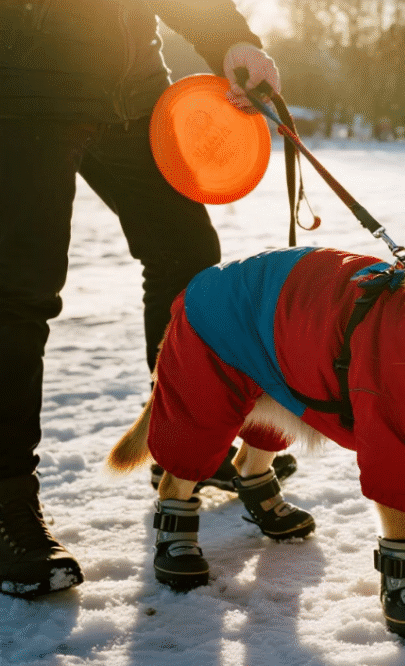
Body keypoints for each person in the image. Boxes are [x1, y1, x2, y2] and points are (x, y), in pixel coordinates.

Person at [0, 0, 292, 598]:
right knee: (19, 294)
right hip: (21, 97)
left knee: (187, 259)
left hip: (132, 97)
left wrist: (229, 39)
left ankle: (186, 439)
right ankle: (5, 502)